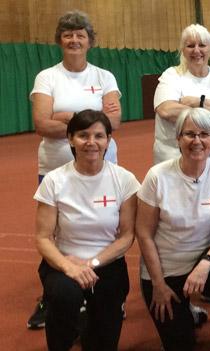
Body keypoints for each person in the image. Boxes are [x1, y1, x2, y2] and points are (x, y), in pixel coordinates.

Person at [29, 9, 122, 330]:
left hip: (103, 167)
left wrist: (67, 116)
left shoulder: (104, 77)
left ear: (90, 41)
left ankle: (104, 293)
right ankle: (51, 296)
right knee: (54, 235)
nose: (73, 39)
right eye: (67, 34)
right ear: (59, 40)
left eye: (80, 34)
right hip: (56, 168)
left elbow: (115, 122)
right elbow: (42, 123)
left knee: (103, 226)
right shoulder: (47, 77)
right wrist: (92, 117)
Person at [136, 108, 210, 351]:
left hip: (205, 260)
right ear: (178, 139)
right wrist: (158, 284)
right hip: (167, 268)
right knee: (179, 345)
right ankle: (188, 315)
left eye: (205, 134)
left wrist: (206, 263)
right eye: (190, 134)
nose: (197, 141)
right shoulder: (157, 177)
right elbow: (143, 233)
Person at [34, 110, 139, 350]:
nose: (91, 142)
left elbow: (126, 237)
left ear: (108, 140)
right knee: (64, 296)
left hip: (107, 263)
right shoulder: (54, 180)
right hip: (63, 262)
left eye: (99, 136)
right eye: (83, 135)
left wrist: (91, 263)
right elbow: (43, 237)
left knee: (104, 339)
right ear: (70, 139)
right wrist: (69, 266)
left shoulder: (125, 180)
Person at [153, 24, 210, 169]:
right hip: (175, 162)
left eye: (202, 45)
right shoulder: (171, 75)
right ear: (183, 51)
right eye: (190, 46)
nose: (196, 50)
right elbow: (167, 111)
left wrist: (196, 102)